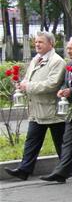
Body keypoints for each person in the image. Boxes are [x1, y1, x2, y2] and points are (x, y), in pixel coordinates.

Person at [5, 32, 67, 181]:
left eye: (41, 42)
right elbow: (28, 78)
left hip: (51, 109)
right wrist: (22, 86)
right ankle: (24, 170)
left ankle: (63, 172)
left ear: (51, 44)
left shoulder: (57, 61)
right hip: (36, 109)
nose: (37, 45)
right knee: (32, 141)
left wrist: (29, 86)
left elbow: (52, 84)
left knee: (60, 142)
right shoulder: (36, 59)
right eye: (36, 42)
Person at [40, 38, 72, 183]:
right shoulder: (70, 64)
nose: (68, 51)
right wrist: (62, 91)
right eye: (67, 48)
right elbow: (66, 83)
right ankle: (62, 171)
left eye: (71, 48)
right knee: (68, 140)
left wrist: (70, 91)